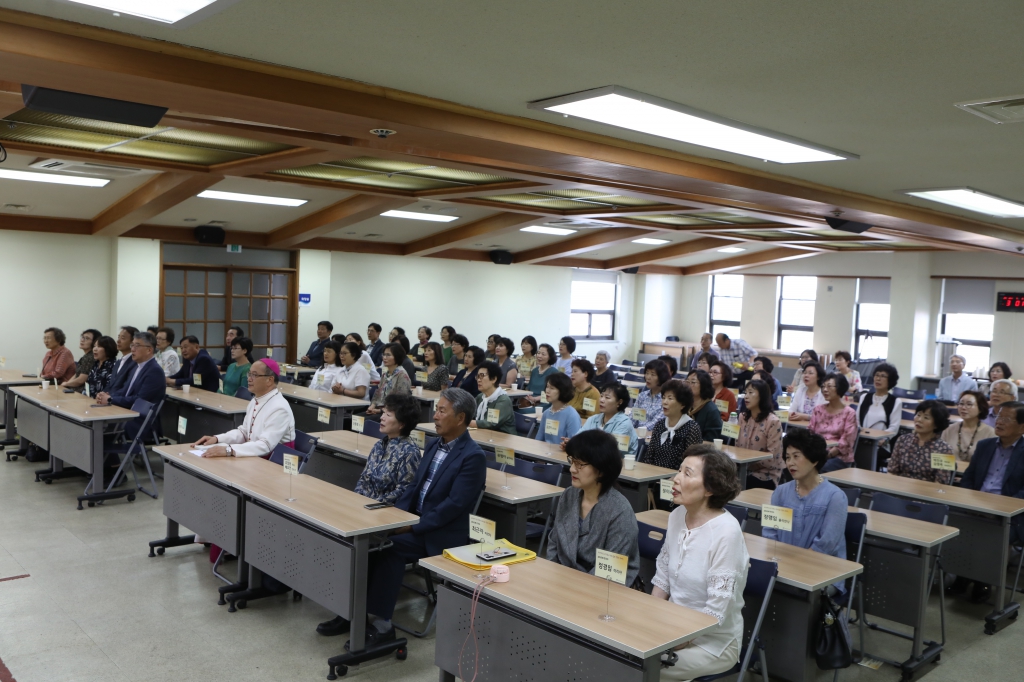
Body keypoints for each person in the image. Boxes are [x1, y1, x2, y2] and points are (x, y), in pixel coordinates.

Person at [327, 388, 485, 648]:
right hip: (412, 522)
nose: (434, 416)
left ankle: (382, 626)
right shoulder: (434, 444)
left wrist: (412, 526)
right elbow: (413, 488)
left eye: (442, 410)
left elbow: (453, 506)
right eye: (436, 409)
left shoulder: (473, 456)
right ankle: (350, 612)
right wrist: (396, 519)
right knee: (362, 540)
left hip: (438, 533)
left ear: (460, 418)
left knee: (388, 549)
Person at [652, 445, 748, 681]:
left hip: (712, 641)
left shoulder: (726, 532)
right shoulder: (676, 516)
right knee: (622, 654)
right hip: (670, 628)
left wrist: (672, 643)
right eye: (679, 470)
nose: (675, 479)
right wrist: (648, 622)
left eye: (687, 473)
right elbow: (663, 578)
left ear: (710, 488)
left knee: (645, 670)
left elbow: (715, 612)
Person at [546, 431, 640, 585]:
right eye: (572, 461)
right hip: (563, 580)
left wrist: (572, 587)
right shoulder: (569, 495)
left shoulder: (620, 512)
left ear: (601, 469)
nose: (572, 469)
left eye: (580, 464)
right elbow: (554, 543)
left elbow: (608, 572)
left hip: (604, 591)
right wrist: (551, 574)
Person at [955, 401, 1024, 603]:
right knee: (957, 521)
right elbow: (968, 478)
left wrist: (1001, 507)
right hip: (976, 505)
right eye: (998, 417)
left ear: (1022, 426)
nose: (999, 422)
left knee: (992, 532)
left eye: (1007, 419)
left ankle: (982, 581)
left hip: (1010, 514)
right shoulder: (985, 446)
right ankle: (961, 573)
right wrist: (967, 500)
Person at [763, 429, 848, 589]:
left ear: (814, 460)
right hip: (783, 566)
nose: (790, 463)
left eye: (796, 456)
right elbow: (770, 533)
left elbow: (826, 544)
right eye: (787, 457)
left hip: (822, 572)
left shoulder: (835, 496)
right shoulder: (780, 492)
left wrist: (795, 567)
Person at [194, 358, 296, 458]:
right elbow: (244, 432)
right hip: (254, 456)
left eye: (254, 375)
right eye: (249, 374)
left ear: (269, 380)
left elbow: (265, 446)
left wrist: (229, 450)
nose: (249, 378)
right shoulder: (256, 399)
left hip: (274, 463)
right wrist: (217, 439)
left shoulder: (279, 408)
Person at [353, 393, 423, 504]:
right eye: (383, 413)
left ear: (402, 424)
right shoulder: (379, 445)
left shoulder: (410, 452)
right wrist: (355, 498)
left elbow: (403, 491)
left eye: (388, 415)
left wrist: (372, 504)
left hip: (383, 510)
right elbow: (363, 479)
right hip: (363, 504)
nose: (382, 417)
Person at [96, 331, 167, 440]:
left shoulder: (154, 371)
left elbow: (139, 401)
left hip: (139, 422)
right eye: (132, 345)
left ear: (149, 350)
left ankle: (103, 456)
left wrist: (111, 400)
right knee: (95, 423)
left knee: (98, 427)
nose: (132, 349)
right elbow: (125, 391)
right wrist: (106, 395)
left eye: (137, 346)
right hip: (127, 414)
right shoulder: (137, 367)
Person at [887, 400, 954, 483]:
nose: (919, 420)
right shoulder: (902, 440)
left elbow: (941, 484)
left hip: (926, 493)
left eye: (926, 417)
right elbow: (891, 471)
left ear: (937, 424)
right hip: (899, 489)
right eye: (918, 415)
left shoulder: (945, 450)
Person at [646, 380, 703, 471]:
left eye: (670, 398)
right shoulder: (659, 425)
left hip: (677, 480)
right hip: (652, 478)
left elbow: (691, 465)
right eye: (663, 397)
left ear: (682, 405)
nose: (664, 402)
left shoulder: (691, 428)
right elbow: (649, 458)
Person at [737, 379, 784, 489]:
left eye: (751, 392)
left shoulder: (773, 421)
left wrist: (746, 464)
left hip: (765, 475)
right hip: (742, 470)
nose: (746, 396)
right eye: (745, 392)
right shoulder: (742, 417)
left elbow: (772, 459)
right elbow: (737, 448)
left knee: (737, 485)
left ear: (762, 396)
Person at [809, 373, 859, 473]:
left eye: (829, 386)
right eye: (823, 386)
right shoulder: (818, 410)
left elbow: (846, 441)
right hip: (818, 453)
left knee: (819, 468)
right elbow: (810, 433)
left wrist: (828, 455)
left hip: (839, 457)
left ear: (840, 388)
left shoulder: (849, 413)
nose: (825, 389)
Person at [580, 383, 639, 455]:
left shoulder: (624, 423)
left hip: (617, 464)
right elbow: (578, 439)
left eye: (607, 397)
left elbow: (610, 451)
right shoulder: (593, 419)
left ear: (619, 402)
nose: (601, 400)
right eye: (601, 396)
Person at [943, 390, 994, 461]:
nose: (963, 407)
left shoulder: (990, 433)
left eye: (969, 404)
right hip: (950, 471)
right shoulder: (949, 429)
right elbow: (941, 455)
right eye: (961, 403)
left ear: (980, 409)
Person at [857, 363, 903, 439]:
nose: (878, 379)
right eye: (877, 375)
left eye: (883, 376)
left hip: (882, 443)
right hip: (862, 440)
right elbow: (857, 421)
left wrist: (882, 439)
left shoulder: (895, 402)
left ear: (890, 380)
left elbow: (894, 428)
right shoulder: (864, 397)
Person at [535, 372, 582, 445]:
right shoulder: (547, 413)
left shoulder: (572, 415)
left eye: (552, 388)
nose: (547, 391)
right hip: (544, 453)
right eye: (547, 387)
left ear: (562, 391)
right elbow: (538, 439)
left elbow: (575, 444)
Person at [470, 361, 516, 434]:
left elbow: (491, 423)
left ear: (494, 379)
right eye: (478, 376)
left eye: (482, 376)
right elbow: (470, 413)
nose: (478, 380)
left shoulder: (503, 400)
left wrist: (467, 422)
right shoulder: (480, 397)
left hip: (504, 439)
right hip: (484, 435)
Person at [367, 343, 412, 417]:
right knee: (355, 418)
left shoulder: (402, 375)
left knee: (365, 422)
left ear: (397, 357)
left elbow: (400, 401)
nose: (384, 357)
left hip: (391, 413)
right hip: (379, 410)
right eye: (384, 354)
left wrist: (380, 411)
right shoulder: (385, 374)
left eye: (388, 355)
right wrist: (372, 406)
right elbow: (378, 393)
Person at [632, 359, 670, 433]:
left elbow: (656, 423)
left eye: (653, 374)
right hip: (636, 434)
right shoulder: (642, 396)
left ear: (661, 377)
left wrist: (638, 431)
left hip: (653, 435)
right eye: (647, 373)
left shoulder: (665, 399)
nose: (648, 377)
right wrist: (629, 429)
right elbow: (633, 417)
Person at [687, 370, 723, 442]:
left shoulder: (711, 410)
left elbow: (711, 439)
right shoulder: (685, 406)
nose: (688, 385)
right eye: (687, 382)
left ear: (703, 385)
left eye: (693, 382)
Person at [106, 326, 139, 394]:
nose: (118, 341)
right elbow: (111, 384)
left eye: (123, 338)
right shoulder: (118, 362)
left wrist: (110, 398)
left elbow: (126, 388)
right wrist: (103, 393)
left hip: (119, 401)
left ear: (133, 342)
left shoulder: (135, 363)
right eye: (118, 337)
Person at [524, 343, 557, 408]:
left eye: (543, 354)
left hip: (544, 403)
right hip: (530, 402)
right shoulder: (534, 371)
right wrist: (527, 397)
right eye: (538, 353)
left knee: (519, 412)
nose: (539, 356)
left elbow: (553, 393)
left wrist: (535, 399)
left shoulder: (554, 372)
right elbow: (528, 389)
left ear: (550, 357)